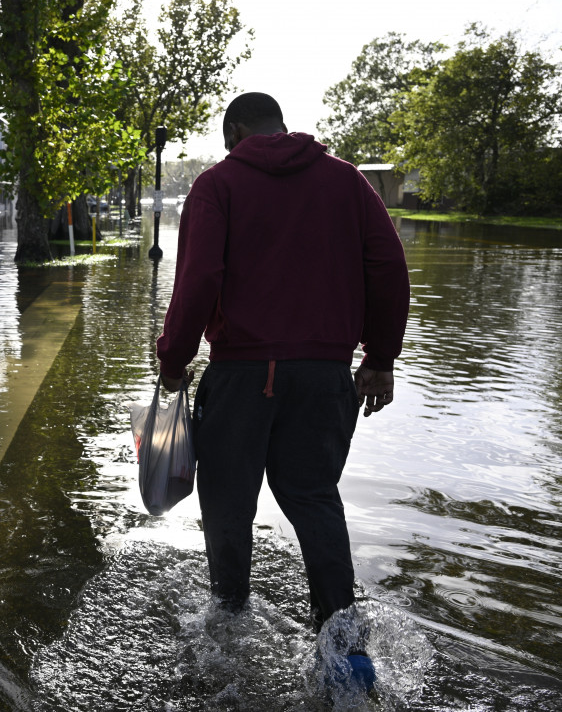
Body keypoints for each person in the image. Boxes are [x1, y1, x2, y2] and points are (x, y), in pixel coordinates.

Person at [156, 93, 409, 684]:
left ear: (236, 129)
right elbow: (387, 266)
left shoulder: (218, 185)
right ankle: (346, 648)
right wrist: (380, 358)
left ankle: (228, 627)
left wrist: (174, 360)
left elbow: (199, 278)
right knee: (315, 498)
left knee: (228, 506)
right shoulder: (347, 182)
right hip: (324, 379)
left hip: (242, 376)